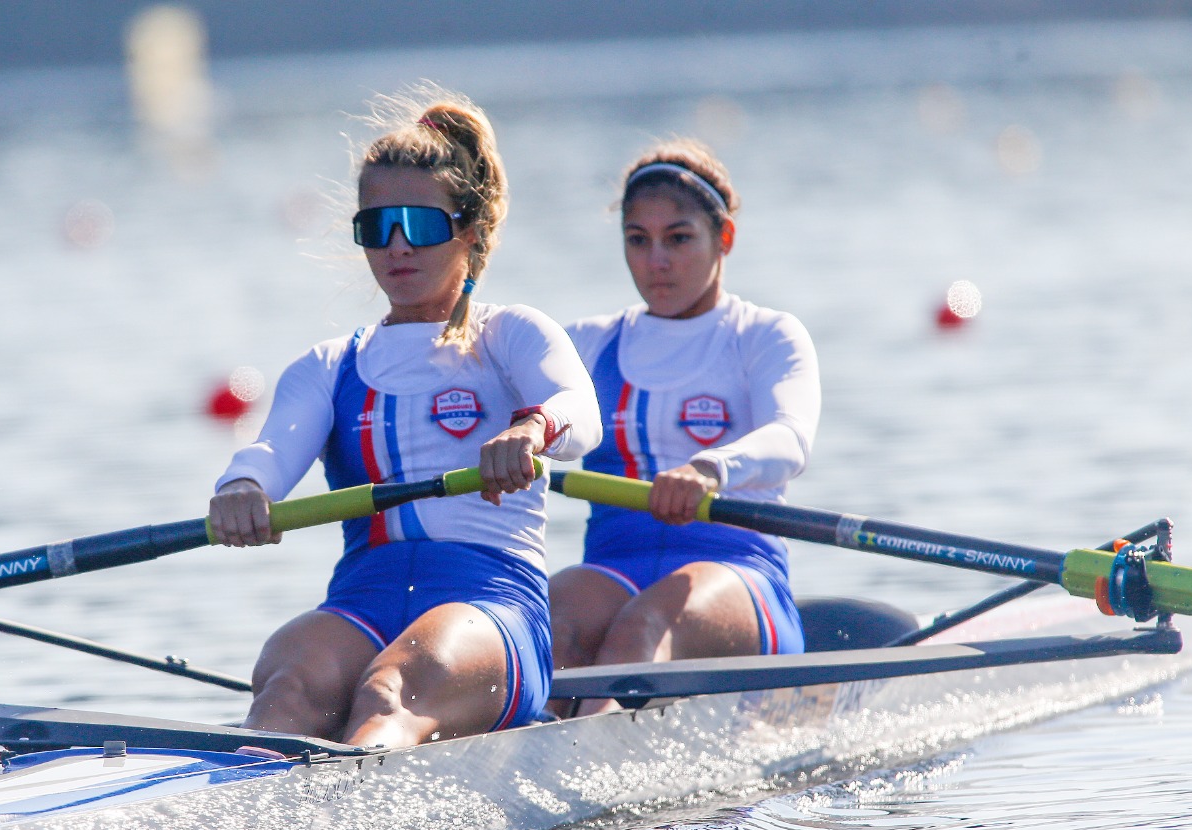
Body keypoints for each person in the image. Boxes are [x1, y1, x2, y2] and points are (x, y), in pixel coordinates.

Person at [209, 93, 602, 749]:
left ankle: (340, 820)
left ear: (469, 231)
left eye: (418, 225)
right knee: (289, 676)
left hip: (491, 607)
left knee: (387, 689)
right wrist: (241, 490)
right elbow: (269, 454)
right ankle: (233, 819)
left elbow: (579, 414)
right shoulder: (328, 367)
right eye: (376, 226)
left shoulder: (509, 336)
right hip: (362, 602)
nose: (396, 247)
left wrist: (530, 432)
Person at [551, 139, 820, 714]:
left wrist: (709, 467)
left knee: (641, 627)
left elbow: (791, 439)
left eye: (678, 238)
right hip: (611, 569)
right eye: (637, 241)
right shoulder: (586, 343)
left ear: (724, 238)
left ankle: (579, 769)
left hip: (740, 574)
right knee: (544, 620)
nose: (657, 262)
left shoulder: (765, 336)